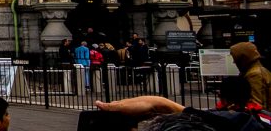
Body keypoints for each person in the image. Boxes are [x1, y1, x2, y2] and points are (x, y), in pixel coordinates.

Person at [97, 75, 270, 129]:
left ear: (222, 97)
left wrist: (161, 103)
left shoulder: (238, 122)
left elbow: (225, 121)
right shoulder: (263, 117)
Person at [232, 43, 271, 109]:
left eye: (235, 58)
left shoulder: (254, 74)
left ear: (243, 58)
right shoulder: (260, 70)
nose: (234, 62)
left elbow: (256, 104)